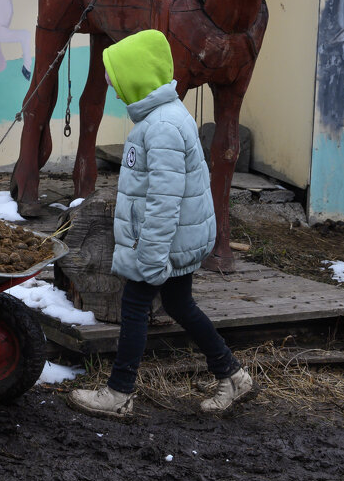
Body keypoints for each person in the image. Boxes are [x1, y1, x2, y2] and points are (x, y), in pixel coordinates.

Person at [66, 29, 255, 419]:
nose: (115, 92)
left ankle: (119, 392)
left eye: (118, 82)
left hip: (163, 241)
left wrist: (149, 255)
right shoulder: (159, 119)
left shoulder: (162, 127)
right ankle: (232, 374)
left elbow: (163, 201)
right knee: (178, 303)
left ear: (136, 79)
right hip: (173, 239)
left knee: (136, 305)